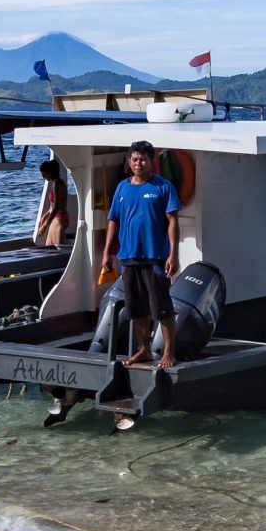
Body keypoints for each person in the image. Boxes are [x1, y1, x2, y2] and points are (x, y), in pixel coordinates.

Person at [102, 140, 182, 369]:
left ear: (152, 161)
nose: (139, 163)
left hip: (155, 256)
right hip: (128, 256)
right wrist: (108, 253)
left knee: (161, 307)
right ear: (129, 162)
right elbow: (112, 221)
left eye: (143, 159)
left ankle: (169, 352)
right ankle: (144, 349)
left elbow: (173, 222)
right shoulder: (122, 188)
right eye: (135, 159)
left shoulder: (163, 187)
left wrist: (173, 254)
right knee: (136, 308)